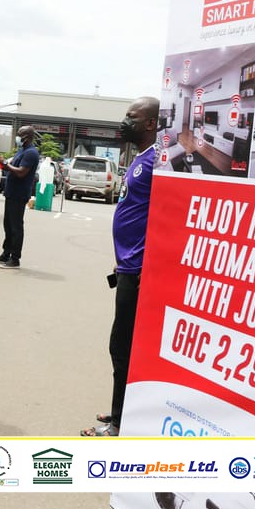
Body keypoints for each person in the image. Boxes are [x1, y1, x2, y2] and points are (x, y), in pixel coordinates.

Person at [80, 96, 159, 437]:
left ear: (150, 124)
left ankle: (119, 423)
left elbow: (165, 216)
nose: (124, 122)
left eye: (132, 117)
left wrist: (147, 263)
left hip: (138, 269)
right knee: (123, 346)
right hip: (127, 265)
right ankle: (120, 411)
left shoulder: (157, 160)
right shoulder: (140, 158)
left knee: (122, 346)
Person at [0, 126, 40, 269]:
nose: (17, 137)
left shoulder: (31, 153)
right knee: (8, 225)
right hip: (11, 192)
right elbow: (9, 166)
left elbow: (21, 172)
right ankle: (6, 253)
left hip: (19, 193)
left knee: (16, 226)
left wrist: (6, 165)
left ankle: (15, 258)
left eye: (19, 134)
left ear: (27, 136)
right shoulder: (22, 150)